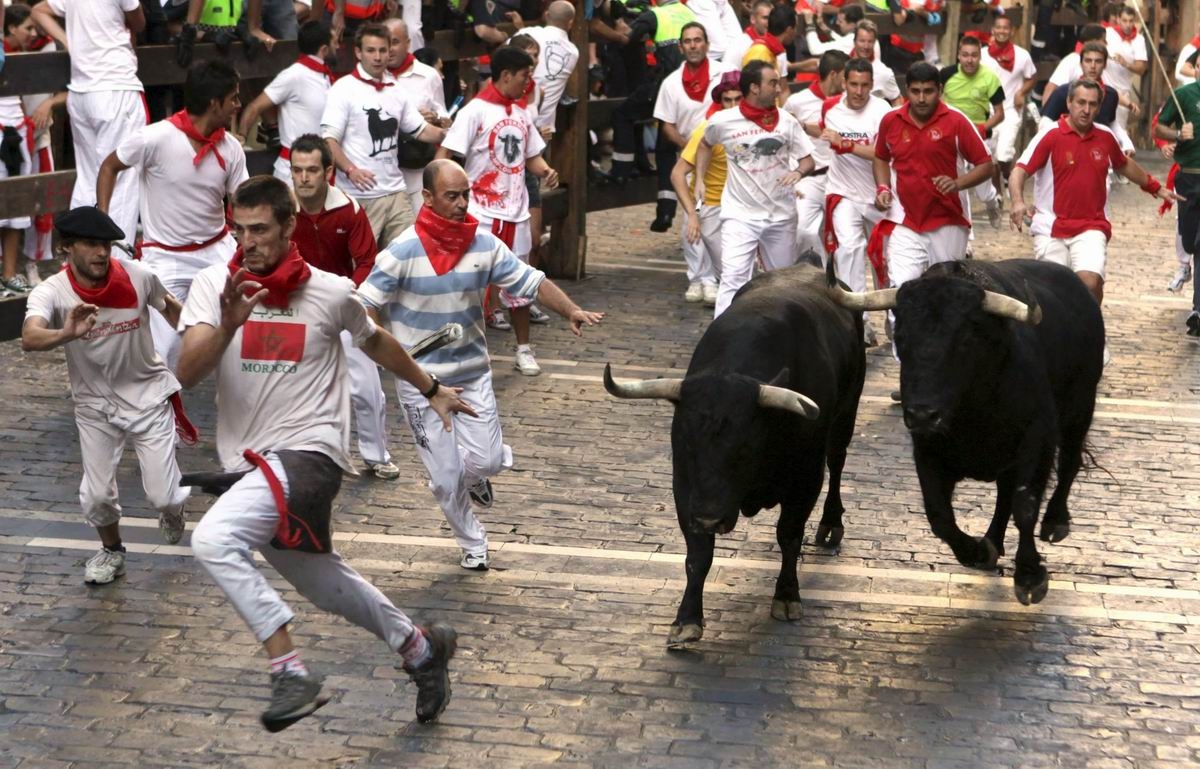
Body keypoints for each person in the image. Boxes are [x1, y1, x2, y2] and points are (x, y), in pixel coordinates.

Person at [177, 175, 469, 732]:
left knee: (213, 539)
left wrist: (431, 389)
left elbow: (376, 339)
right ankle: (420, 647)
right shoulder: (215, 284)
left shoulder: (332, 291)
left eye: (260, 229)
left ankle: (289, 670)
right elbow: (186, 371)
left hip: (311, 455)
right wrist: (228, 324)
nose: (248, 241)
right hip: (249, 463)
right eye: (239, 230)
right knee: (322, 582)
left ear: (290, 227)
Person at [357, 159, 604, 571]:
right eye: (451, 196)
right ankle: (472, 541)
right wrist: (379, 342)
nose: (460, 204)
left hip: (472, 375)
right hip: (422, 384)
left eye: (465, 194)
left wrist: (570, 309)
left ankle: (477, 478)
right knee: (443, 478)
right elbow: (364, 304)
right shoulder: (400, 251)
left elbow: (531, 280)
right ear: (429, 197)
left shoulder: (485, 245)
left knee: (486, 461)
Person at [20, 207, 191, 584]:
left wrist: (212, 334)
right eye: (92, 245)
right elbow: (30, 337)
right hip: (95, 405)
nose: (102, 253)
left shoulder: (139, 276)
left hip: (147, 395)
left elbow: (175, 313)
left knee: (165, 497)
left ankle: (174, 508)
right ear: (67, 247)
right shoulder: (52, 291)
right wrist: (67, 334)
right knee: (97, 496)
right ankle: (112, 551)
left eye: (107, 246)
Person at [96, 60, 247, 371]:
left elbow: (244, 199)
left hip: (217, 251)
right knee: (159, 351)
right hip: (165, 257)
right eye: (233, 97)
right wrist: (102, 219)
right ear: (214, 103)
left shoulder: (231, 148)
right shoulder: (153, 138)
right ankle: (164, 418)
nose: (238, 105)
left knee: (243, 335)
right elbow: (110, 166)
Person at [1011, 80, 1178, 336]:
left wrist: (1154, 187)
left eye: (1092, 104)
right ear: (1069, 103)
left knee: (1090, 282)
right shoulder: (1050, 135)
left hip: (1092, 225)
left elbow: (1123, 165)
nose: (1086, 110)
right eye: (1081, 103)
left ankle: (1089, 334)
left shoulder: (1105, 136)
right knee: (1051, 291)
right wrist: (1018, 202)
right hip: (1050, 227)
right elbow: (1020, 170)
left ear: (1099, 107)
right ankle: (1056, 340)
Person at [436, 46, 560, 376]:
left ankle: (523, 349)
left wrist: (545, 170)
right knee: (469, 287)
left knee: (519, 286)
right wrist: (438, 195)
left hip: (516, 214)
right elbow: (446, 152)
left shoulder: (521, 113)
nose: (528, 82)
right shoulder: (474, 111)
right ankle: (464, 351)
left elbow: (531, 155)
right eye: (524, 75)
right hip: (479, 214)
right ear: (506, 75)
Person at [288, 133, 400, 478]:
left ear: (328, 172)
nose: (303, 178)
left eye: (311, 170)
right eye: (297, 170)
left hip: (343, 308)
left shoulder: (349, 210)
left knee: (367, 389)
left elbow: (366, 260)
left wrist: (348, 291)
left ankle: (376, 456)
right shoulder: (281, 211)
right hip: (295, 310)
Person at [31, 0, 148, 256]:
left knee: (88, 177)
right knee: (122, 176)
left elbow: (38, 10)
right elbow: (139, 22)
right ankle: (114, 261)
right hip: (116, 86)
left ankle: (78, 258)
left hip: (81, 91)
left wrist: (69, 40)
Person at [700, 60, 816, 316]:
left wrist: (797, 172)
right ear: (754, 87)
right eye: (773, 82)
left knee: (783, 283)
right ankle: (723, 338)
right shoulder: (723, 121)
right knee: (733, 278)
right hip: (739, 215)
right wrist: (699, 179)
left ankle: (782, 337)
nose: (779, 88)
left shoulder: (787, 122)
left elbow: (808, 160)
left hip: (781, 216)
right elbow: (704, 144)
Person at [320, 23, 446, 247]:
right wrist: (351, 170)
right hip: (358, 195)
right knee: (361, 264)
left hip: (396, 191)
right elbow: (329, 140)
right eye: (370, 50)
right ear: (358, 52)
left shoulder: (396, 89)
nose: (377, 57)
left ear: (390, 51)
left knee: (407, 258)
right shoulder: (343, 88)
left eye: (382, 50)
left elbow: (421, 130)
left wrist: (451, 133)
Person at [873, 62, 993, 292]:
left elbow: (986, 165)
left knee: (945, 293)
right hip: (904, 220)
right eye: (915, 91)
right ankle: (898, 326)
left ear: (939, 90)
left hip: (948, 221)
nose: (921, 98)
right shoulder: (891, 120)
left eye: (928, 91)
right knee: (901, 291)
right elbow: (880, 157)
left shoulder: (956, 121)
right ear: (906, 89)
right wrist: (882, 188)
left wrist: (957, 184)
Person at [652, 22, 733, 301]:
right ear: (681, 47)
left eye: (698, 40)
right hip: (688, 159)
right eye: (688, 41)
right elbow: (667, 125)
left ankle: (723, 276)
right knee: (692, 221)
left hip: (727, 160)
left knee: (722, 221)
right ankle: (699, 277)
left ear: (707, 44)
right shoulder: (671, 83)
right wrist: (694, 149)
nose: (693, 45)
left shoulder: (724, 75)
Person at [821, 56, 892, 345]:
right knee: (849, 249)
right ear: (844, 83)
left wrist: (846, 143)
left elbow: (881, 153)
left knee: (886, 258)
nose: (859, 91)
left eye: (865, 85)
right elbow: (825, 135)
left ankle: (891, 316)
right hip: (844, 192)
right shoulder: (830, 109)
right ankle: (858, 321)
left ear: (872, 85)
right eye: (853, 84)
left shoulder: (883, 111)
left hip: (880, 193)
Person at [609, 0, 695, 229]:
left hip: (665, 86)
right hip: (688, 86)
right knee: (665, 149)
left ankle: (621, 169)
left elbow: (629, 37)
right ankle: (665, 212)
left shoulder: (656, 15)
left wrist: (619, 23)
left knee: (623, 114)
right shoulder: (689, 12)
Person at [671, 71, 742, 307]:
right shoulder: (708, 128)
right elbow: (678, 174)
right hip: (712, 204)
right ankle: (703, 280)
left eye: (737, 99)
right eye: (727, 100)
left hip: (745, 208)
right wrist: (692, 213)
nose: (732, 106)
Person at [238, 20, 335, 183]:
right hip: (292, 173)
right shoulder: (294, 75)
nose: (338, 47)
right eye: (335, 43)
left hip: (321, 169)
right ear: (324, 49)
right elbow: (255, 106)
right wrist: (241, 137)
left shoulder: (325, 76)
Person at [784, 50, 848, 259]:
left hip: (839, 178)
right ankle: (815, 276)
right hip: (809, 179)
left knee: (843, 238)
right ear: (833, 74)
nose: (848, 82)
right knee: (803, 230)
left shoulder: (848, 102)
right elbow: (783, 138)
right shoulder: (797, 101)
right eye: (844, 76)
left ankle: (838, 283)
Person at [385, 17, 450, 215]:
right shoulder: (373, 78)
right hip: (382, 172)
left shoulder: (429, 76)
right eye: (385, 43)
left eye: (395, 42)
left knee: (419, 229)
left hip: (416, 168)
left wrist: (434, 118)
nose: (389, 49)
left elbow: (445, 119)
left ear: (408, 43)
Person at [939, 34, 1004, 228]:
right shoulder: (946, 74)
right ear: (958, 55)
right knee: (957, 184)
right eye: (965, 55)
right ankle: (966, 238)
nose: (969, 60)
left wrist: (983, 128)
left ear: (980, 57)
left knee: (983, 191)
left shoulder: (990, 78)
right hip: (951, 135)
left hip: (978, 134)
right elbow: (936, 101)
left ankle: (993, 203)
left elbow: (1000, 114)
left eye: (974, 55)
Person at [1154, 79, 1200, 336]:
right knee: (1191, 240)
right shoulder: (1183, 95)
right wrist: (1177, 134)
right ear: (1195, 69)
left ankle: (1199, 308)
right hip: (1189, 177)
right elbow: (1159, 127)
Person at [980, 14, 1036, 206]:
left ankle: (1007, 178)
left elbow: (1031, 77)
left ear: (1011, 31)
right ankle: (998, 194)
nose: (1002, 31)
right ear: (993, 30)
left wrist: (1021, 92)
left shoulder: (1022, 55)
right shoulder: (983, 55)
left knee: (1004, 153)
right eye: (998, 28)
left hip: (1011, 110)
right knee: (990, 155)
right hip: (988, 111)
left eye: (1006, 28)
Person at [1040, 42, 1135, 153]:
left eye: (1098, 61)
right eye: (1088, 61)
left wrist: (1126, 142)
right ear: (1081, 64)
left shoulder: (1111, 95)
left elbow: (1112, 122)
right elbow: (1045, 123)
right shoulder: (1063, 92)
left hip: (1096, 154)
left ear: (1105, 65)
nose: (1093, 66)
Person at [1103, 3, 1147, 144]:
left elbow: (1141, 68)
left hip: (1123, 91)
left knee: (1118, 132)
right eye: (1125, 20)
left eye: (1131, 21)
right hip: (1105, 86)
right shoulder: (1108, 33)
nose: (1128, 25)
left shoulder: (1139, 40)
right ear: (1118, 19)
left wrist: (1125, 63)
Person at [849, 20, 901, 106]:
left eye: (870, 41)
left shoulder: (883, 72)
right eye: (862, 41)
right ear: (854, 41)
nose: (866, 46)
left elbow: (896, 99)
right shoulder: (843, 65)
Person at [722, 0, 771, 71]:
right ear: (753, 19)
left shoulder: (775, 44)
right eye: (765, 18)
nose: (769, 22)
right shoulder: (739, 44)